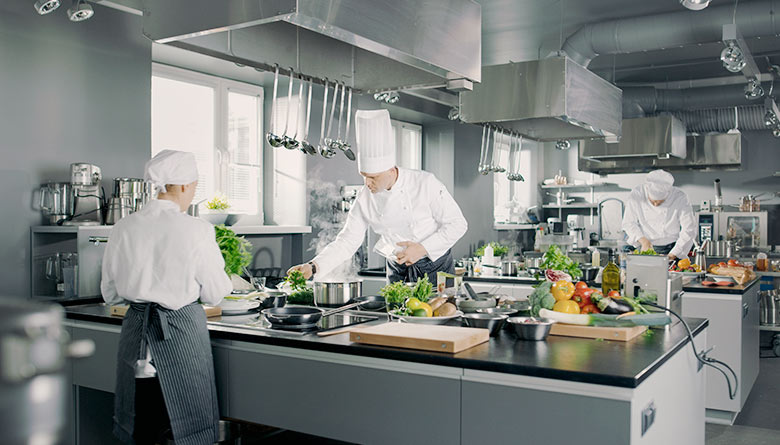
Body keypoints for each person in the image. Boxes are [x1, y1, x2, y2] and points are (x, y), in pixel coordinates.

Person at [101, 150, 232, 445]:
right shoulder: (197, 230)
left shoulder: (123, 227)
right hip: (180, 335)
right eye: (195, 188)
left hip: (135, 338)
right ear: (185, 186)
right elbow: (216, 292)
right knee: (186, 429)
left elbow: (109, 293)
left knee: (140, 426)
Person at [288, 109, 467, 284]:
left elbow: (458, 224)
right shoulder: (365, 198)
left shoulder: (425, 183)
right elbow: (347, 241)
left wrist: (421, 249)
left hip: (435, 268)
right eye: (364, 175)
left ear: (391, 170)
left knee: (440, 313)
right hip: (397, 270)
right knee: (396, 313)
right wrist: (312, 266)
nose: (367, 183)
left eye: (373, 177)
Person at [621, 169, 697, 260]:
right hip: (645, 247)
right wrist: (643, 241)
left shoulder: (680, 197)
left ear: (668, 193)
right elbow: (628, 223)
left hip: (672, 248)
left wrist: (673, 254)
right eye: (653, 201)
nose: (656, 204)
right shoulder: (637, 194)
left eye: (660, 201)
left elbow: (689, 229)